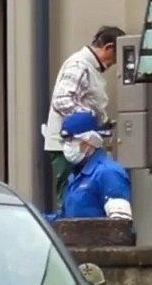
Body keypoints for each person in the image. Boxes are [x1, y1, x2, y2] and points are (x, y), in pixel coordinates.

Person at [42, 25, 125, 212]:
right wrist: (90, 120)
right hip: (70, 146)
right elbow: (62, 100)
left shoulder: (89, 68)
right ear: (108, 48)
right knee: (71, 201)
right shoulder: (79, 65)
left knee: (83, 199)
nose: (114, 64)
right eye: (115, 58)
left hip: (81, 145)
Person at [57, 111, 132, 221]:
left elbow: (120, 224)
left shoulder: (108, 173)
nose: (67, 145)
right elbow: (64, 220)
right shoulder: (75, 177)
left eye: (71, 140)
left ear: (89, 142)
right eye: (65, 141)